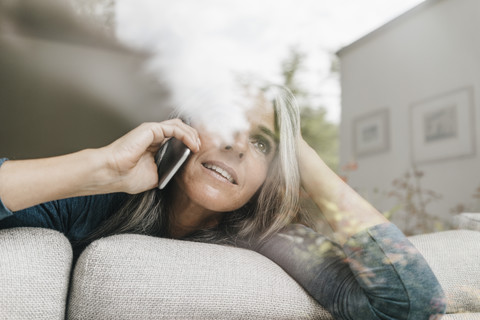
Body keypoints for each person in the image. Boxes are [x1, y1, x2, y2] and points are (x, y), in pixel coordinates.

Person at [0, 85, 446, 319]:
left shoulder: (272, 241)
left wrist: (301, 156)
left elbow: (409, 304)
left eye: (262, 144)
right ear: (184, 127)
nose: (237, 147)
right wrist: (95, 169)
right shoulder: (94, 202)